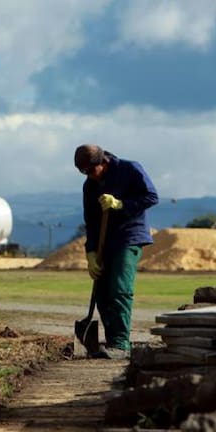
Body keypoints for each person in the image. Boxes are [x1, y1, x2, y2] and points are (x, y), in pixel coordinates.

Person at [74, 144, 159, 360]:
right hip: (105, 242)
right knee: (102, 292)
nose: (89, 176)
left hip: (129, 237)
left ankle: (121, 343)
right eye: (83, 172)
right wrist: (90, 253)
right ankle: (113, 342)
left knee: (120, 289)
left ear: (102, 162)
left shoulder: (130, 169)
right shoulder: (89, 186)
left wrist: (121, 204)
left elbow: (151, 197)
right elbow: (91, 222)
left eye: (90, 170)